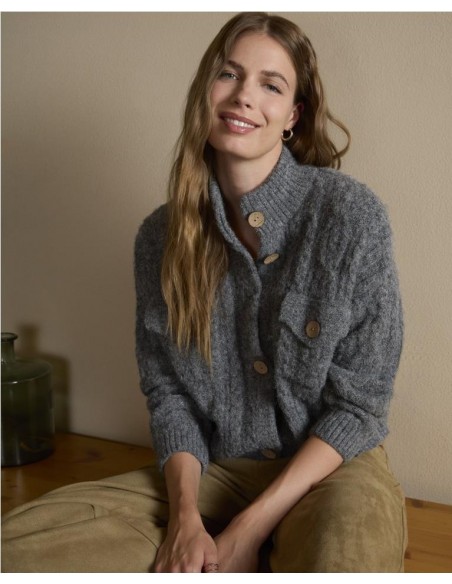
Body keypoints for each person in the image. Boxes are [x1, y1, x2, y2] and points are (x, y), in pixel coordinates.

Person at [2, 12, 407, 573]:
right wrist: (185, 519)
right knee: (24, 546)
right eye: (229, 74)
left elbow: (359, 407)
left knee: (344, 562)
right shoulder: (159, 239)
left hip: (334, 472)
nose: (244, 96)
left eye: (271, 85)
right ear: (204, 91)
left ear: (293, 116)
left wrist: (250, 528)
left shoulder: (350, 217)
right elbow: (170, 396)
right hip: (215, 473)